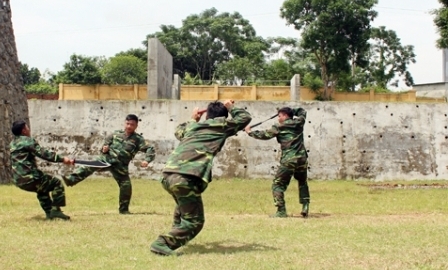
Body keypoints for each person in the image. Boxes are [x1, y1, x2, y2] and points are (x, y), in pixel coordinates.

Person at [150, 100, 251, 256]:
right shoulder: (222, 126)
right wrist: (231, 107)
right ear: (224, 116)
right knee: (195, 221)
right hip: (185, 177)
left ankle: (174, 234)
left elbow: (178, 131)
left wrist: (193, 118)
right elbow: (244, 117)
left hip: (168, 175)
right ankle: (164, 243)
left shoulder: (193, 127)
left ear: (207, 116)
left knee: (184, 206)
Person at [62, 114, 155, 214]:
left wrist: (147, 160)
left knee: (126, 186)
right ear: (125, 123)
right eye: (127, 123)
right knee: (90, 166)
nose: (129, 126)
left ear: (136, 126)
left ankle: (124, 210)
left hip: (120, 165)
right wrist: (104, 149)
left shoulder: (138, 139)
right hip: (106, 159)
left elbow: (150, 149)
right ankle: (71, 180)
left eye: (132, 124)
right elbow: (104, 147)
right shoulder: (115, 134)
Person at [245, 107, 310, 218]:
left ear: (285, 116)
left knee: (277, 185)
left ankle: (281, 211)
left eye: (280, 116)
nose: (278, 118)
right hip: (302, 159)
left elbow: (264, 135)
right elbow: (302, 111)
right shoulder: (299, 122)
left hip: (288, 160)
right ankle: (305, 206)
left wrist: (249, 132)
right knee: (302, 182)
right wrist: (292, 111)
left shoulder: (279, 127)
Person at [9, 119, 74, 220]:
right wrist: (62, 159)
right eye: (27, 127)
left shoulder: (13, 143)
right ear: (23, 131)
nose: (29, 129)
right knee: (57, 183)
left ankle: (49, 213)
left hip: (19, 180)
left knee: (42, 189)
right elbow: (43, 154)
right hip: (30, 177)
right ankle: (56, 211)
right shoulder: (27, 141)